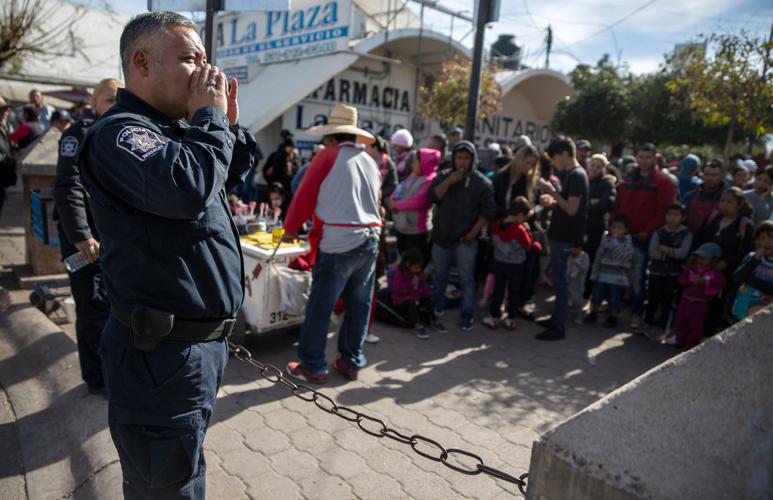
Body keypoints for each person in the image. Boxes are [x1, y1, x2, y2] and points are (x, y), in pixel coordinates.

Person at [77, 12, 258, 498]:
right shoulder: (122, 133)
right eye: (190, 59)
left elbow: (226, 175)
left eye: (205, 60)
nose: (206, 72)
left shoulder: (175, 131)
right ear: (141, 62)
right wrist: (209, 120)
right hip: (160, 358)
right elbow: (186, 188)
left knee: (181, 474)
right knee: (164, 487)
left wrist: (226, 126)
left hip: (193, 352)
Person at [282, 104, 381, 383]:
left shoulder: (328, 156)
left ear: (330, 136)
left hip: (338, 242)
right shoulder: (370, 161)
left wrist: (290, 229)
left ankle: (312, 364)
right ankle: (351, 360)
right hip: (370, 239)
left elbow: (304, 195)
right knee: (359, 304)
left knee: (320, 305)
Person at [54, 78, 123, 396]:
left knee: (112, 307)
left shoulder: (119, 133)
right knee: (93, 307)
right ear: (94, 103)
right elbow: (69, 187)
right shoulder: (77, 135)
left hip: (110, 239)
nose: (114, 105)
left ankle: (113, 369)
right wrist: (82, 236)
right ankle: (97, 378)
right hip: (85, 242)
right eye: (109, 99)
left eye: (119, 99)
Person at [428, 141, 495, 331]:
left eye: (466, 158)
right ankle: (437, 308)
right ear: (453, 158)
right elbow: (431, 197)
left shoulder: (482, 182)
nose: (462, 162)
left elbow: (488, 213)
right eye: (459, 158)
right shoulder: (443, 176)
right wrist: (449, 181)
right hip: (441, 237)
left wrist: (472, 234)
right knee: (439, 276)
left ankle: (466, 315)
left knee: (467, 279)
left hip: (464, 240)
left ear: (472, 159)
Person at [612, 143, 677, 329]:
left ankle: (637, 312)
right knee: (616, 273)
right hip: (622, 235)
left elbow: (664, 211)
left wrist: (647, 231)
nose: (644, 160)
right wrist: (614, 226)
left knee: (638, 277)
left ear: (654, 158)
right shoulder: (629, 178)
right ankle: (614, 309)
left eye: (648, 157)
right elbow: (619, 204)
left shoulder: (663, 182)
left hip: (643, 239)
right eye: (640, 156)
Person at [535, 137, 589, 340]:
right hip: (561, 235)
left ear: (564, 154)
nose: (554, 163)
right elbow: (566, 204)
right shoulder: (574, 175)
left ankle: (558, 326)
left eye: (555, 158)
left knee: (561, 283)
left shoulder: (576, 175)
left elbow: (571, 209)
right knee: (558, 282)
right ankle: (555, 319)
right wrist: (553, 200)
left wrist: (551, 191)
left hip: (564, 238)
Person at [695, 187, 755, 333]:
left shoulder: (745, 225)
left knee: (717, 303)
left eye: (729, 202)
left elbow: (746, 252)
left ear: (739, 205)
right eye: (722, 201)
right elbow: (699, 238)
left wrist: (727, 262)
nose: (724, 204)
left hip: (725, 274)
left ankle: (707, 333)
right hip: (703, 268)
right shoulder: (712, 217)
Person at [481, 196, 540, 331]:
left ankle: (493, 317)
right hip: (516, 266)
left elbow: (491, 242)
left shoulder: (495, 226)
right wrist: (536, 244)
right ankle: (510, 319)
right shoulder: (520, 230)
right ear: (519, 215)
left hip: (499, 262)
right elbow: (527, 245)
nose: (525, 220)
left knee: (498, 291)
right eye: (525, 217)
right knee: (514, 293)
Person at [644, 201, 692, 329]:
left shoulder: (686, 234)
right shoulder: (659, 232)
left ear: (683, 217)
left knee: (668, 300)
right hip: (656, 271)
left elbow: (683, 253)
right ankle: (646, 323)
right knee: (652, 298)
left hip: (673, 273)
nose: (672, 218)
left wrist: (666, 250)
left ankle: (663, 325)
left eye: (676, 215)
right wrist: (671, 253)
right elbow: (652, 252)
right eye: (669, 214)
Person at [388, 147, 439, 262]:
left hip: (416, 231)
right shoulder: (413, 176)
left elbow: (418, 202)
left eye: (416, 161)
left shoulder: (430, 180)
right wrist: (392, 199)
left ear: (424, 162)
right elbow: (400, 189)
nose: (412, 164)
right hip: (403, 228)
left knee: (415, 264)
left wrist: (396, 205)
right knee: (404, 262)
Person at [376, 247, 439, 339]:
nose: (418, 269)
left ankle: (435, 320)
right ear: (408, 264)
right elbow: (396, 289)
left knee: (427, 299)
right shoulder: (399, 273)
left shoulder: (419, 273)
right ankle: (418, 325)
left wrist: (429, 294)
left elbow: (424, 286)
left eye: (419, 267)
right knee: (411, 302)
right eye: (416, 267)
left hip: (415, 295)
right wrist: (411, 286)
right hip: (400, 298)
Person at [672, 243, 726, 349]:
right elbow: (681, 280)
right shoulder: (691, 269)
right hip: (685, 301)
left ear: (714, 260)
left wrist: (706, 282)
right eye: (699, 257)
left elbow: (720, 284)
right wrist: (689, 280)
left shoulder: (714, 274)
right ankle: (680, 341)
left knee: (695, 325)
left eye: (705, 258)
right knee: (680, 322)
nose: (700, 260)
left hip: (700, 304)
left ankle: (691, 345)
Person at [584, 214, 634, 328]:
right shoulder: (606, 240)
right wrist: (594, 273)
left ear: (626, 230)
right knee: (597, 296)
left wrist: (616, 244)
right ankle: (593, 313)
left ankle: (613, 317)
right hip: (603, 274)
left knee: (614, 298)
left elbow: (626, 257)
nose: (616, 230)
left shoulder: (627, 242)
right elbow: (598, 256)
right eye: (614, 227)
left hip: (618, 277)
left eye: (620, 228)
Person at [584, 153, 617, 297]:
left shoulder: (606, 183)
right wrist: (590, 203)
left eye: (599, 166)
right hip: (580, 226)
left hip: (595, 229)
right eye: (593, 165)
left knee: (591, 260)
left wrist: (587, 206)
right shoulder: (582, 178)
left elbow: (605, 204)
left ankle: (587, 291)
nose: (594, 168)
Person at [731, 221, 773, 320]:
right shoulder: (751, 257)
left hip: (761, 316)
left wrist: (750, 280)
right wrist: (754, 260)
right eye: (763, 238)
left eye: (771, 238)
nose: (767, 242)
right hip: (740, 309)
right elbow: (736, 278)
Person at [683, 159, 725, 234]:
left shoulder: (726, 199)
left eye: (714, 175)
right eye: (706, 174)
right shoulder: (690, 197)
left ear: (721, 177)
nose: (709, 178)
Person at [365, 135, 397, 201]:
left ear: (375, 148)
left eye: (367, 146)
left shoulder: (388, 164)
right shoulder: (366, 161)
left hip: (381, 201)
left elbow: (393, 185)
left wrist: (379, 194)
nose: (365, 149)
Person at [0, 99, 16, 215]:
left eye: (6, 110)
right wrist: (9, 160)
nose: (6, 113)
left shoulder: (5, 127)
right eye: (2, 110)